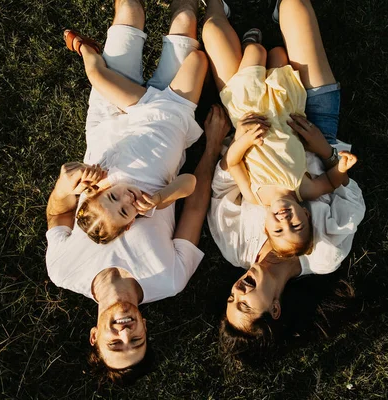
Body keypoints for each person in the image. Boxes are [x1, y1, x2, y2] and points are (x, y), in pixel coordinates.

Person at [45, 0, 231, 384]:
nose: (125, 332)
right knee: (185, 22)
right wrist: (212, 147)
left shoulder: (64, 271)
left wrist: (65, 185)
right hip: (166, 127)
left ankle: (93, 50)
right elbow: (194, 209)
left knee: (128, 10)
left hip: (107, 121)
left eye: (115, 343)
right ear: (147, 329)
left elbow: (57, 215)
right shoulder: (168, 278)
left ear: (95, 337)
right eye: (137, 339)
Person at [202, 0, 366, 358]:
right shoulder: (324, 256)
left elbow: (223, 185)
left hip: (253, 119)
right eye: (245, 305)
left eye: (231, 299)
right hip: (313, 123)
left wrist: (239, 141)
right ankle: (279, 22)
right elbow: (348, 197)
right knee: (296, 7)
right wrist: (325, 152)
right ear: (274, 309)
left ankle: (223, 11)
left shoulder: (234, 247)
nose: (238, 291)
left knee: (212, 32)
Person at [61, 0, 209, 245]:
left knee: (98, 73)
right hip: (177, 110)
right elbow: (189, 183)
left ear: (100, 192)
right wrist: (161, 198)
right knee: (195, 47)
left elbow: (77, 180)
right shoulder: (151, 203)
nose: (125, 199)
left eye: (112, 199)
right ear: (130, 223)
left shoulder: (103, 179)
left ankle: (87, 50)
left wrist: (87, 179)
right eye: (123, 211)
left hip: (141, 109)